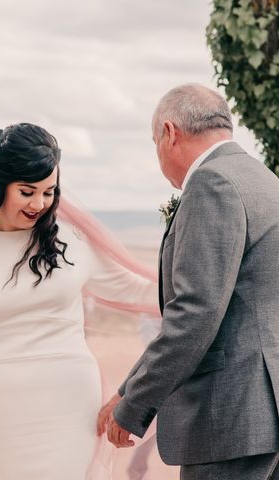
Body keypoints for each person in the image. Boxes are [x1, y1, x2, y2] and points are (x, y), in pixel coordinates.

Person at [0, 123, 159, 479]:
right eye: (27, 191)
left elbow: (137, 290)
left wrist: (206, 284)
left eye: (49, 192)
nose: (39, 204)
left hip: (69, 406)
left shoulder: (72, 240)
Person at [98, 84, 279, 480]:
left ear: (169, 133)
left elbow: (194, 314)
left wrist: (134, 404)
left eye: (153, 142)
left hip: (230, 419)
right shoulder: (265, 180)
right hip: (267, 412)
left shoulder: (212, 184)